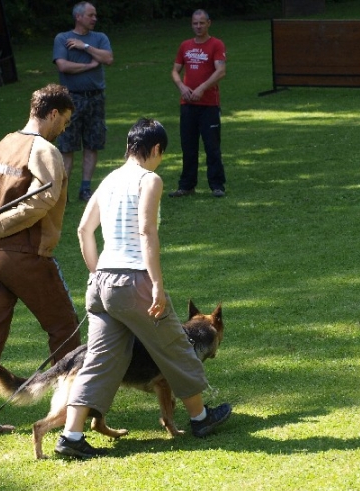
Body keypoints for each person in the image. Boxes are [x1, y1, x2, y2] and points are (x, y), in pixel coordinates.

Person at [55, 118, 232, 459]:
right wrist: (156, 286)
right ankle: (200, 417)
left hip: (102, 282)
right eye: (161, 154)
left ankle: (71, 436)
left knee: (99, 360)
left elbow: (82, 231)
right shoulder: (148, 180)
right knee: (176, 346)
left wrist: (96, 274)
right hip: (133, 280)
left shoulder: (107, 180)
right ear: (154, 150)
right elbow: (147, 233)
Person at [0, 84, 82, 439]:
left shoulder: (3, 143)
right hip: (24, 256)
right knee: (66, 331)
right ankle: (75, 415)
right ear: (53, 113)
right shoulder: (44, 150)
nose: (65, 128)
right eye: (65, 120)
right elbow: (42, 201)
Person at [53, 1, 114, 202]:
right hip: (71, 100)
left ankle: (85, 189)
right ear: (78, 17)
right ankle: (62, 192)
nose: (94, 18)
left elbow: (108, 58)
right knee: (67, 146)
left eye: (95, 15)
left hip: (96, 98)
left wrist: (85, 46)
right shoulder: (62, 39)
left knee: (92, 144)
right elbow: (63, 66)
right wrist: (90, 66)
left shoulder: (99, 38)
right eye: (91, 15)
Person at [169, 9, 227, 198]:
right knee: (188, 145)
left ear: (209, 23)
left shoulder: (216, 44)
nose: (198, 26)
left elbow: (221, 71)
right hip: (187, 103)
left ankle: (217, 185)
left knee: (212, 146)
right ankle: (186, 185)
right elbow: (175, 70)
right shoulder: (185, 45)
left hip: (209, 105)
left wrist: (202, 87)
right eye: (195, 23)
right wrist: (182, 87)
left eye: (202, 23)